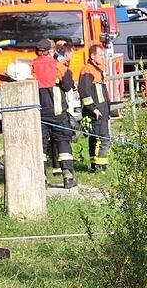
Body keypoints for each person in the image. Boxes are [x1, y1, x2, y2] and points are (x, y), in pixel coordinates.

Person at [32, 39, 77, 188]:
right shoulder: (58, 66)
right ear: (51, 51)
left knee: (41, 147)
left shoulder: (32, 66)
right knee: (63, 142)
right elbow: (68, 86)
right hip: (58, 113)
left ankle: (42, 178)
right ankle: (68, 176)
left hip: (39, 114)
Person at [79, 44, 111, 172]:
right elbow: (84, 91)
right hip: (97, 111)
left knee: (95, 139)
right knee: (103, 140)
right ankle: (100, 167)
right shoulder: (88, 70)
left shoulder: (96, 69)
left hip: (101, 110)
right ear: (93, 56)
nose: (103, 58)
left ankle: (95, 166)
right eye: (100, 55)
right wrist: (93, 108)